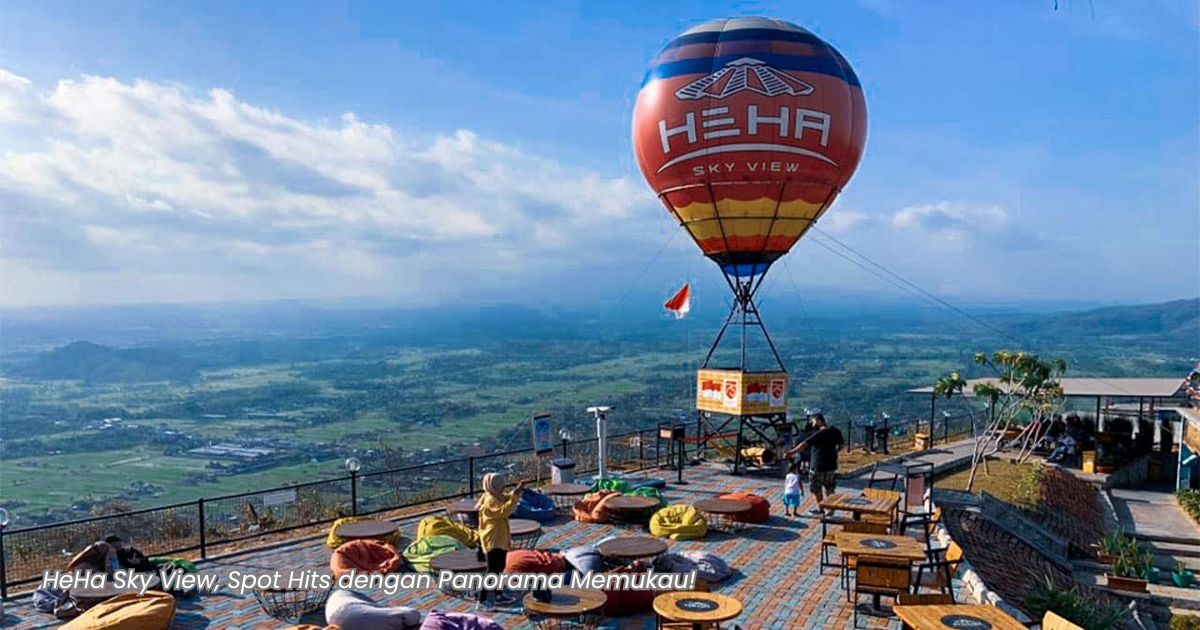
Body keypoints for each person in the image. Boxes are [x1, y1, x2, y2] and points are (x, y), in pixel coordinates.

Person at [475, 472, 525, 610]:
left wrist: (516, 492)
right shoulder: (489, 500)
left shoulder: (495, 496)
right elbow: (504, 510)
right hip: (493, 540)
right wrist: (514, 497)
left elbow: (505, 498)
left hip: (500, 538)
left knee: (500, 567)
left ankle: (498, 594)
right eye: (501, 487)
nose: (503, 489)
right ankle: (482, 599)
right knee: (491, 570)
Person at [785, 413, 844, 515]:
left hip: (818, 465)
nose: (812, 424)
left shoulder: (818, 434)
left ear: (818, 421)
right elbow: (842, 445)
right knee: (829, 487)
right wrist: (835, 453)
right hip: (831, 465)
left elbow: (804, 445)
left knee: (817, 489)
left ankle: (821, 509)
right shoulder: (835, 431)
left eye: (813, 422)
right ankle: (831, 509)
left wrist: (791, 452)